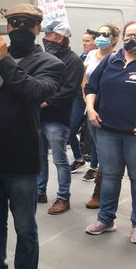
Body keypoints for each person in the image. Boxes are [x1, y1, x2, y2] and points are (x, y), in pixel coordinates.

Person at [0, 4, 64, 269]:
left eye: (27, 22)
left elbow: (35, 92)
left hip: (21, 161)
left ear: (38, 27)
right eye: (14, 22)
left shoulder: (51, 64)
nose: (19, 27)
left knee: (25, 226)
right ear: (7, 26)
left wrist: (5, 60)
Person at [84, 20, 136, 243]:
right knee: (110, 177)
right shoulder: (110, 60)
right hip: (107, 130)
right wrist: (90, 108)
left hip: (133, 134)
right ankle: (106, 219)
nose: (131, 39)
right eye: (129, 34)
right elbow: (91, 87)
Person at [37, 21, 84, 214]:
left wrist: (45, 101)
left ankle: (63, 197)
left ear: (59, 38)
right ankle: (40, 191)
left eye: (49, 35)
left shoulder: (73, 61)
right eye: (46, 35)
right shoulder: (43, 56)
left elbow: (70, 90)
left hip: (57, 118)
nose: (46, 38)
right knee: (38, 158)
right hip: (38, 116)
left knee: (59, 159)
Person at [82, 24, 120, 209]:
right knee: (97, 148)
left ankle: (99, 192)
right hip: (90, 108)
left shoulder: (117, 58)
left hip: (106, 112)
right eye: (98, 34)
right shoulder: (91, 54)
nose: (100, 37)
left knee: (105, 153)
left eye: (105, 34)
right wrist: (88, 103)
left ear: (114, 38)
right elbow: (86, 80)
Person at [68, 30, 97, 171]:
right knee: (70, 130)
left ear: (95, 43)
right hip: (80, 99)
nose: (83, 44)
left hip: (94, 100)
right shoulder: (82, 57)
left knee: (92, 137)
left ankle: (94, 167)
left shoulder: (101, 59)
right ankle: (79, 159)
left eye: (87, 41)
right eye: (83, 40)